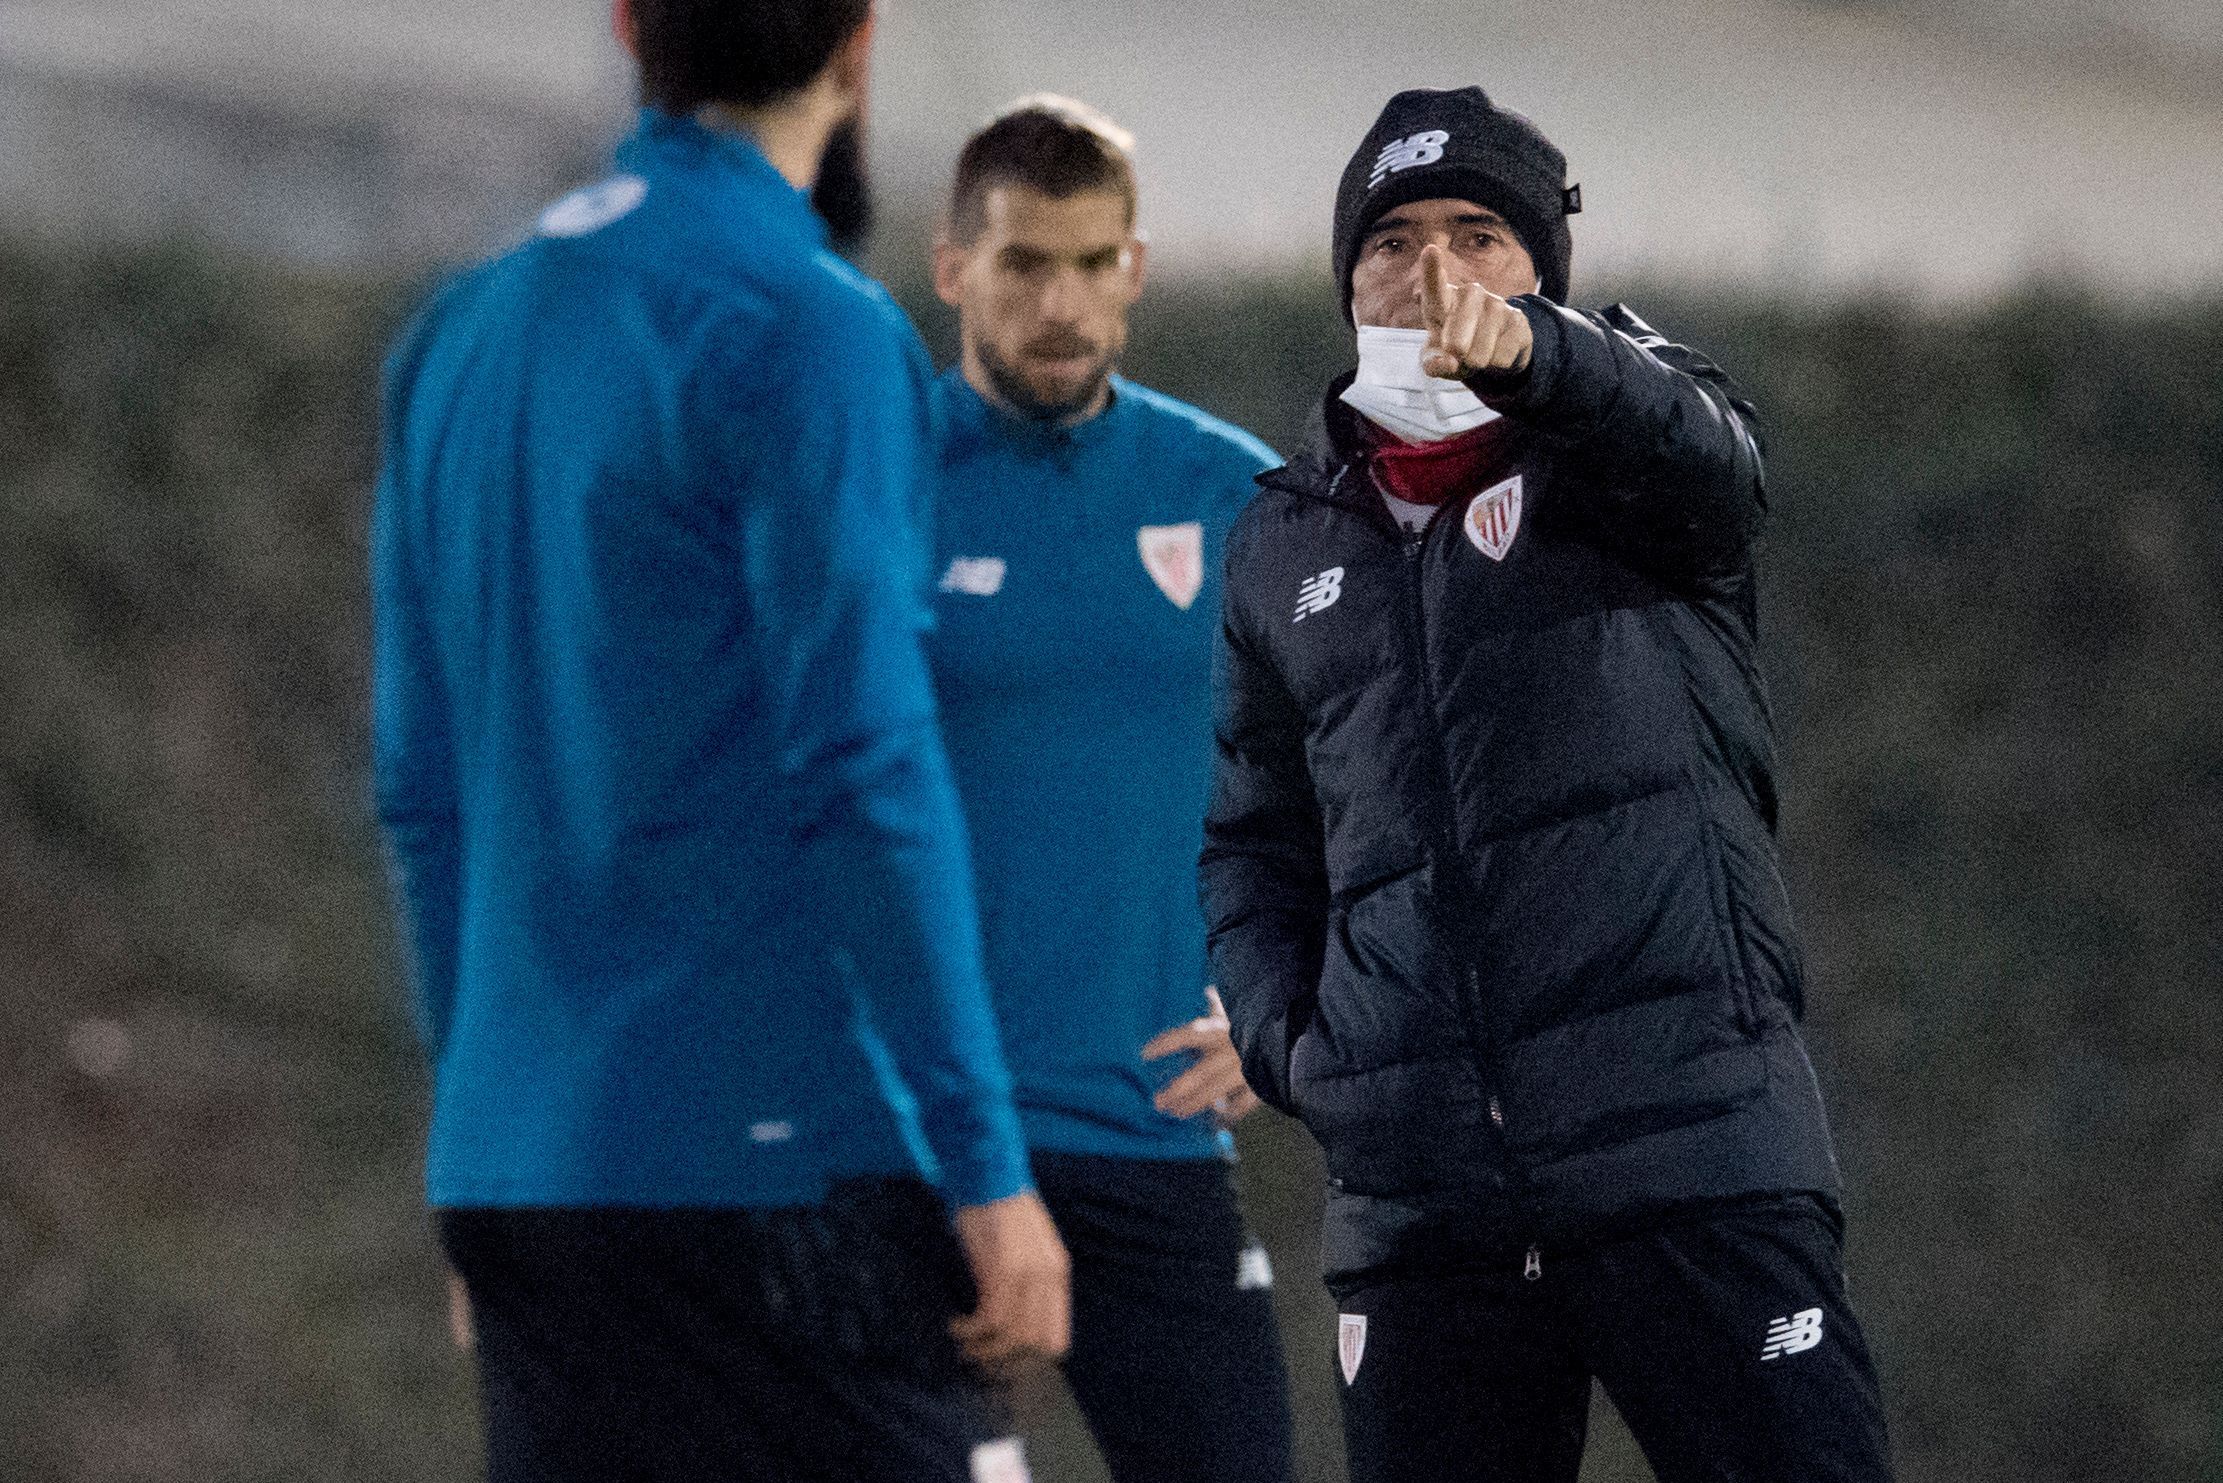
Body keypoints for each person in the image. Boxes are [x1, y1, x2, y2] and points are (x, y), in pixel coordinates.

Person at [369, 3, 1067, 1479]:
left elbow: (423, 799)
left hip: (531, 1170)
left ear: (630, 29)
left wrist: (484, 1138)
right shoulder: (810, 327)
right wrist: (986, 1164)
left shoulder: (459, 334)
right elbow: (865, 766)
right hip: (785, 1161)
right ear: (859, 42)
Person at [1198, 85, 1896, 1483]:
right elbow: (1252, 847)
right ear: (1349, 281)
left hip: (1687, 1153)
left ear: (1543, 268)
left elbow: (1717, 476)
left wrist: (1546, 365)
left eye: (1478, 233)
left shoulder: (1632, 432)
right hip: (1426, 1210)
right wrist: (1304, 1050)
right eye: (1391, 239)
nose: (1433, 271)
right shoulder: (1284, 540)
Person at [924, 96, 1297, 1483]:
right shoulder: (866, 487)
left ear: (1136, 266)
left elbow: (1374, 776)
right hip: (922, 1150)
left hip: (1150, 1131)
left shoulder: (1230, 494)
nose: (1062, 302)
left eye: (1094, 262)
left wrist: (1291, 992)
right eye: (1025, 264)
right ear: (954, 265)